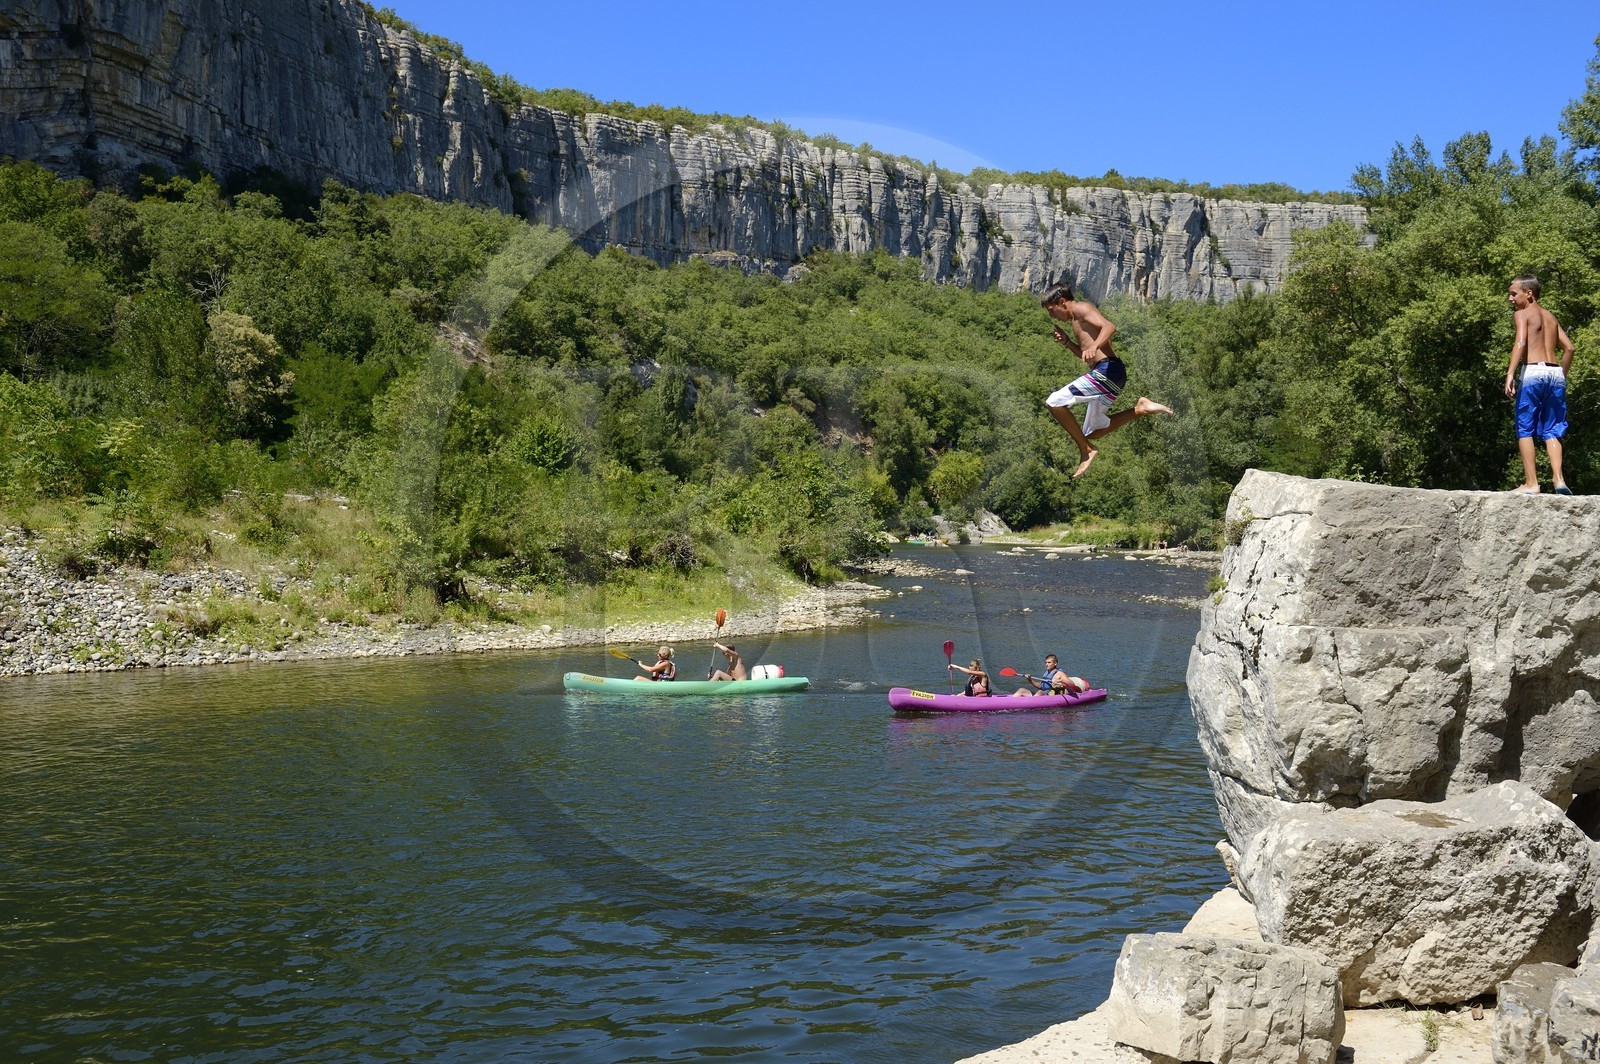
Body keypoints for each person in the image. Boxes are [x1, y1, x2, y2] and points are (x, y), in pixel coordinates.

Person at [1039, 282, 1175, 478]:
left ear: (1062, 302)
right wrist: (1068, 342)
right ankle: (1140, 409)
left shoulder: (1081, 308)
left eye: (1052, 311)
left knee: (1054, 401)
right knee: (1093, 431)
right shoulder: (1075, 321)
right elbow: (1086, 354)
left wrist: (1095, 346)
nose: (1052, 316)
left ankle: (1086, 450)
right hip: (1111, 374)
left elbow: (1110, 327)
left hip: (1107, 371)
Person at [1503, 274, 1575, 495]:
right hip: (1555, 373)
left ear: (1529, 293)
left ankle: (1531, 483)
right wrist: (1561, 374)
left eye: (1514, 293)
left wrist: (1510, 373)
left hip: (1533, 371)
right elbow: (1570, 349)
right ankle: (1559, 480)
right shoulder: (1550, 317)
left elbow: (1521, 342)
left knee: (1525, 428)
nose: (1510, 299)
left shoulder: (1522, 314)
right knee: (1553, 429)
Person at [1012, 653, 1090, 696]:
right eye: (1046, 662)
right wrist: (1029, 679)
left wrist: (1061, 682)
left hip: (1050, 696)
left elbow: (1072, 684)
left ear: (1055, 663)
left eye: (1049, 662)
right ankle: (1011, 703)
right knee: (1021, 690)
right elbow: (1040, 686)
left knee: (1040, 692)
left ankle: (1028, 704)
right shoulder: (1047, 673)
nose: (1046, 664)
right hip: (1041, 695)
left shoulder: (1060, 674)